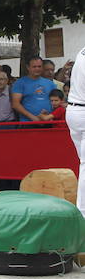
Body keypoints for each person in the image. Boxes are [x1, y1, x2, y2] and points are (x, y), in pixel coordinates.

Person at [64, 45, 85, 216]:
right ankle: (82, 212)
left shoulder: (82, 51)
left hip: (74, 109)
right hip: (82, 110)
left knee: (83, 162)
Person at [11, 56, 55, 122]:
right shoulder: (20, 83)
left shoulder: (50, 83)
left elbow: (56, 101)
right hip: (28, 122)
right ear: (28, 67)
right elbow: (15, 104)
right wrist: (32, 117)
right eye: (34, 67)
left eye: (39, 66)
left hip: (48, 121)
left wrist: (50, 115)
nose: (37, 69)